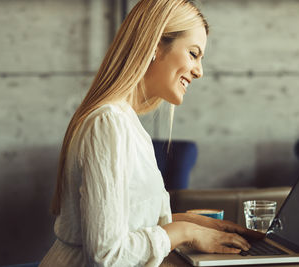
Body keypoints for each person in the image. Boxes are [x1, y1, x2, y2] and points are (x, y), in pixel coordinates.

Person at [40, 0, 260, 266]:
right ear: (155, 46)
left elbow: (133, 223)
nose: (200, 71)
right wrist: (185, 232)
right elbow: (107, 256)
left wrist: (201, 227)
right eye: (193, 53)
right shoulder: (108, 123)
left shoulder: (129, 125)